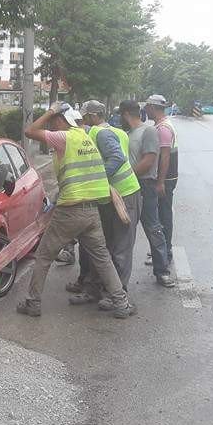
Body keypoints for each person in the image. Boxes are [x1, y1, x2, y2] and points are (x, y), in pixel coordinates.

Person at [17, 102, 136, 319]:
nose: (51, 126)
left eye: (54, 122)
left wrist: (51, 110)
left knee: (44, 256)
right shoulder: (87, 137)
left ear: (62, 121)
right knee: (103, 258)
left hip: (71, 210)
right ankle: (121, 303)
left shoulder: (65, 137)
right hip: (92, 210)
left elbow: (30, 131)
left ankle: (33, 303)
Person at [69, 100, 142, 305]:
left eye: (82, 118)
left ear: (92, 117)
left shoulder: (101, 134)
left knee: (120, 247)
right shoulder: (111, 132)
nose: (79, 123)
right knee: (101, 245)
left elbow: (117, 157)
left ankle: (118, 294)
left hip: (125, 195)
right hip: (108, 197)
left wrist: (98, 180)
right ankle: (95, 290)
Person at [118, 99, 175, 287]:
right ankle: (120, 278)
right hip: (129, 187)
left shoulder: (148, 131)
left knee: (153, 227)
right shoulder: (128, 133)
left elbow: (150, 160)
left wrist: (128, 176)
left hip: (145, 186)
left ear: (126, 114)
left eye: (120, 115)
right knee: (126, 231)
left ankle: (162, 271)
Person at [144, 95, 178, 262]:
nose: (145, 110)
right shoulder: (161, 125)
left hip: (166, 178)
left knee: (163, 216)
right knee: (162, 214)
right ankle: (163, 251)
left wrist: (160, 182)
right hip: (167, 177)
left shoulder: (163, 128)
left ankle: (165, 252)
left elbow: (164, 157)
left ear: (153, 108)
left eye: (147, 107)